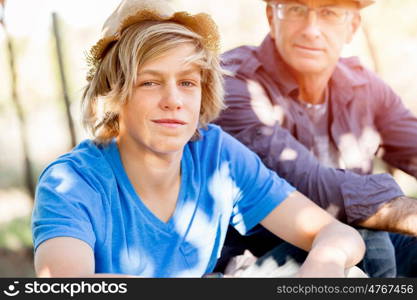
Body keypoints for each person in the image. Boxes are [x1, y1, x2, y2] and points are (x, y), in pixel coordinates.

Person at [31, 0, 365, 278]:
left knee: (347, 274)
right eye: (149, 82)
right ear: (114, 94)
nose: (173, 99)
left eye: (188, 83)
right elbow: (68, 286)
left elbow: (339, 234)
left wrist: (323, 265)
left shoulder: (215, 153)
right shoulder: (71, 180)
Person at [214, 0, 417, 277]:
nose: (311, 29)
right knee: (362, 234)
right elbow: (312, 186)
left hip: (348, 248)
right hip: (256, 260)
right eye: (296, 9)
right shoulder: (235, 84)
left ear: (352, 26)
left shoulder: (365, 87)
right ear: (272, 16)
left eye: (330, 12)